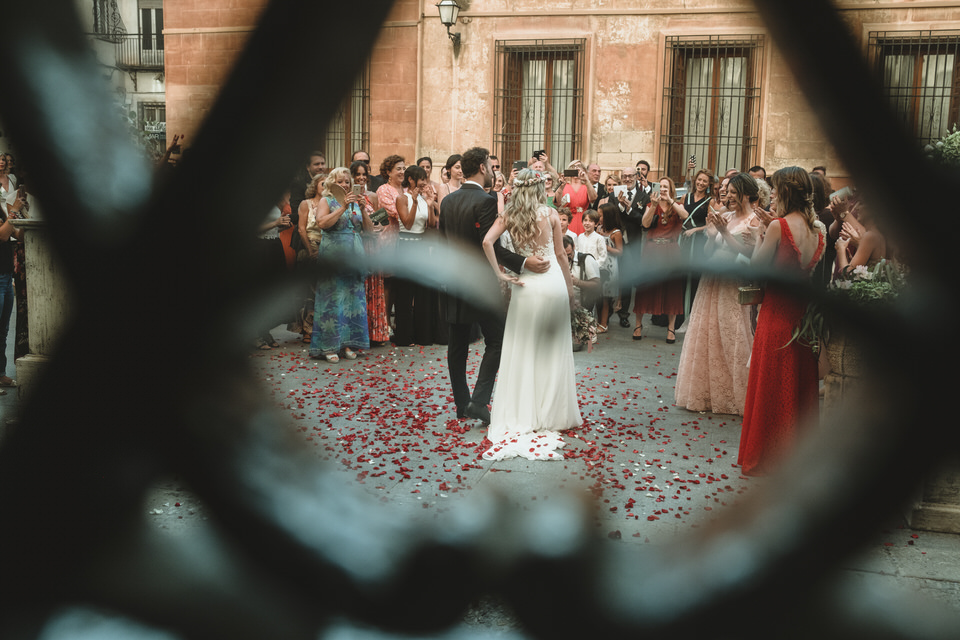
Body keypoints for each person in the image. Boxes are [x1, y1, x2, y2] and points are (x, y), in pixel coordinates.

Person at [439, 148, 549, 424]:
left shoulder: (448, 201)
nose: (493, 170)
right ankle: (478, 400)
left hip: (454, 281)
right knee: (498, 341)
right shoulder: (486, 200)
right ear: (480, 167)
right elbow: (493, 246)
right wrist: (524, 263)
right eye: (490, 165)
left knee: (457, 346)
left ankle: (463, 404)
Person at [481, 167, 581, 460]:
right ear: (539, 188)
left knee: (524, 350)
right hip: (551, 286)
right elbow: (561, 255)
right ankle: (552, 415)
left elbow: (487, 242)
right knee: (552, 349)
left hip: (526, 288)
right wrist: (570, 288)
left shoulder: (510, 215)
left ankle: (523, 410)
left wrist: (500, 274)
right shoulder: (550, 215)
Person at [738, 167, 826, 476]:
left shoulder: (778, 226)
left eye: (775, 190)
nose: (772, 195)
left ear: (786, 192)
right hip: (802, 320)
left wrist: (763, 236)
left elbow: (757, 270)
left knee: (770, 386)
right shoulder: (820, 230)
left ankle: (766, 456)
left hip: (775, 315)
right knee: (797, 388)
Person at [675, 172, 760, 416]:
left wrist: (723, 233)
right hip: (712, 279)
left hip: (733, 281)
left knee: (733, 334)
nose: (728, 196)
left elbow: (747, 256)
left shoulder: (754, 221)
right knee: (707, 332)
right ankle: (708, 393)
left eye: (733, 192)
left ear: (745, 194)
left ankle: (735, 393)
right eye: (727, 192)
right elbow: (710, 251)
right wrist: (712, 236)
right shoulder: (725, 216)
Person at [309, 168, 376, 362]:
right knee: (332, 301)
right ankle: (329, 346)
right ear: (332, 182)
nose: (345, 185)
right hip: (333, 256)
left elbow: (369, 230)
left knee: (351, 301)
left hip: (353, 256)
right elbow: (322, 224)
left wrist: (363, 209)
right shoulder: (326, 200)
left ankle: (347, 343)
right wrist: (342, 208)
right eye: (341, 181)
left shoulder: (355, 202)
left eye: (348, 181)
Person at [633, 177, 688, 343]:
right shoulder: (651, 205)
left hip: (670, 250)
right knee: (645, 287)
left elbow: (685, 216)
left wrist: (671, 201)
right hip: (651, 250)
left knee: (672, 289)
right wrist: (654, 205)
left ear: (671, 189)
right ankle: (638, 325)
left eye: (666, 187)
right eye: (660, 186)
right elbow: (645, 224)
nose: (663, 189)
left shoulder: (677, 206)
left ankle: (671, 328)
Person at [393, 165, 441, 346]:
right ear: (411, 180)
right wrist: (413, 202)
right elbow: (407, 222)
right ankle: (404, 336)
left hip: (421, 245)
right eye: (421, 179)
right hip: (405, 245)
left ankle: (423, 335)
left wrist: (429, 205)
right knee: (405, 294)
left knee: (422, 293)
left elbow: (429, 224)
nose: (424, 183)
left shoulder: (423, 198)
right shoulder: (402, 198)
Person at [375, 155, 406, 338]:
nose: (402, 172)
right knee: (387, 282)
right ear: (388, 172)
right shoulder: (383, 189)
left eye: (403, 168)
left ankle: (393, 320)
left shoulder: (405, 189)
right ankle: (384, 323)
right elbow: (394, 212)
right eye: (398, 169)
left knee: (397, 283)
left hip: (404, 239)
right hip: (388, 238)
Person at [615, 165, 650, 328]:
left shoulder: (644, 196)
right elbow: (611, 215)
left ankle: (624, 314)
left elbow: (644, 220)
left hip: (633, 243)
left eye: (630, 176)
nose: (627, 179)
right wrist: (620, 206)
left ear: (636, 177)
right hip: (616, 242)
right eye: (624, 176)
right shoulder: (614, 194)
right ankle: (605, 314)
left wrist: (628, 209)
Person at [679, 169, 715, 317]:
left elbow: (711, 225)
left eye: (704, 181)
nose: (701, 183)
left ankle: (692, 316)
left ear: (709, 184)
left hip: (699, 243)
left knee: (694, 278)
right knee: (681, 277)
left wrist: (696, 230)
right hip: (684, 241)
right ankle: (679, 316)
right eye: (699, 180)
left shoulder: (710, 200)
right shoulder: (686, 197)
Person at [598, 202, 624, 334]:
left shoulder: (616, 233)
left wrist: (605, 246)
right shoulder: (599, 229)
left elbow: (620, 252)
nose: (599, 218)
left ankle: (603, 324)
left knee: (605, 297)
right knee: (598, 295)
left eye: (601, 215)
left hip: (610, 266)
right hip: (599, 264)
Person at [576, 209, 607, 317]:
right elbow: (578, 253)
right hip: (581, 273)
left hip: (593, 274)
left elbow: (603, 257)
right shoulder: (579, 237)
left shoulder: (599, 238)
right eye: (585, 220)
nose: (587, 223)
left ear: (596, 223)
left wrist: (591, 268)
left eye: (590, 221)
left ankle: (590, 323)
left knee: (591, 300)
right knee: (581, 298)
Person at [554, 160, 597, 234]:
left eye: (579, 167)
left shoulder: (586, 186)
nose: (576, 169)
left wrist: (586, 180)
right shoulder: (564, 185)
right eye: (573, 167)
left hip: (583, 220)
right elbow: (557, 203)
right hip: (567, 220)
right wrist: (561, 186)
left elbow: (593, 199)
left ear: (583, 170)